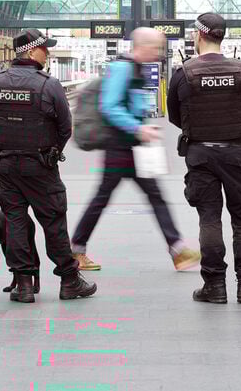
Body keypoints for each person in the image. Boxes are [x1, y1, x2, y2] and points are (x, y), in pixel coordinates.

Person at [70, 27, 200, 272]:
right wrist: (138, 129)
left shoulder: (136, 69)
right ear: (143, 46)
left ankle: (177, 249)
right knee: (106, 198)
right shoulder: (122, 68)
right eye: (156, 48)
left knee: (150, 197)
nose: (159, 54)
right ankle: (76, 250)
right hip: (120, 148)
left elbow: (129, 105)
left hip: (133, 148)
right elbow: (110, 107)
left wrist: (144, 126)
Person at [167, 12, 241, 304]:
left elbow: (175, 116)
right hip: (237, 154)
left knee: (209, 219)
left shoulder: (184, 73)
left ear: (198, 35)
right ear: (221, 36)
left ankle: (214, 286)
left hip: (200, 155)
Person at [0, 29, 96, 303]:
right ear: (33, 51)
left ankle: (23, 284)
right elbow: (65, 126)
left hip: (7, 166)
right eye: (46, 49)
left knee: (15, 222)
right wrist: (52, 151)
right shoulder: (48, 84)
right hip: (40, 166)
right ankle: (69, 281)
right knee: (54, 221)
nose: (48, 53)